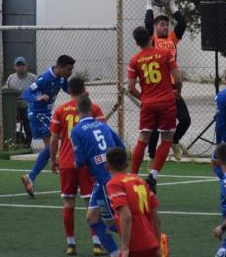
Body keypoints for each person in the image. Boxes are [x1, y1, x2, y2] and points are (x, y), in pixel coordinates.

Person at [49, 77, 107, 256]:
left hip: (67, 163)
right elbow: (103, 133)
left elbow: (54, 139)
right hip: (87, 164)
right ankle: (96, 243)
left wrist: (53, 159)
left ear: (69, 90)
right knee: (91, 202)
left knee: (68, 202)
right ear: (84, 88)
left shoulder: (60, 110)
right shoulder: (93, 108)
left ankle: (71, 244)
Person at [127, 26, 181, 193]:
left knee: (143, 139)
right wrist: (177, 92)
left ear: (136, 43)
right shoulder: (165, 54)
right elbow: (178, 78)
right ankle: (153, 176)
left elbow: (130, 88)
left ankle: (133, 176)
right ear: (151, 38)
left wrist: (143, 98)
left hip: (148, 104)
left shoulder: (134, 60)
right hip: (166, 102)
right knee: (166, 139)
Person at [71, 95, 125, 257]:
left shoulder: (76, 131)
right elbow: (121, 147)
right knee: (92, 217)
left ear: (77, 110)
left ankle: (142, 239)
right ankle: (115, 252)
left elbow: (80, 161)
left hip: (104, 180)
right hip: (111, 176)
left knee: (111, 222)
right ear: (92, 109)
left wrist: (73, 163)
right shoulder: (103, 125)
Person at [20, 54, 75, 197]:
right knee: (61, 136)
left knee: (50, 147)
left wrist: (77, 93)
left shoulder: (62, 77)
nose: (71, 72)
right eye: (69, 69)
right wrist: (37, 98)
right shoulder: (44, 78)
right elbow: (26, 93)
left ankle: (31, 177)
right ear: (60, 67)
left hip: (46, 114)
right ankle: (64, 164)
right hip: (38, 114)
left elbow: (65, 87)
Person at [144, 0, 190, 161]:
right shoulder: (152, 41)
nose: (165, 27)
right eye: (162, 24)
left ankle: (174, 141)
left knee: (185, 120)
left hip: (173, 88)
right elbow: (147, 23)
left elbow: (183, 23)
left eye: (166, 24)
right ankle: (152, 156)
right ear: (155, 27)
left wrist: (172, 6)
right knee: (156, 126)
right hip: (158, 88)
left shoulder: (172, 39)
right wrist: (149, 5)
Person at [105, 147, 163, 257]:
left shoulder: (114, 184)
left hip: (135, 245)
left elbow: (126, 216)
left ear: (107, 166)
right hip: (151, 243)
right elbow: (156, 219)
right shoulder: (139, 180)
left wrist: (125, 248)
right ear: (126, 165)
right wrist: (158, 246)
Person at [5, 56, 37, 143]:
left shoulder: (33, 78)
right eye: (18, 65)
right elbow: (7, 92)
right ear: (14, 67)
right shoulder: (11, 78)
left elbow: (38, 92)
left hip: (27, 106)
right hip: (13, 107)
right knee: (6, 119)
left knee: (27, 120)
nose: (20, 67)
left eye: (22, 65)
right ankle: (9, 140)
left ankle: (28, 142)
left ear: (26, 66)